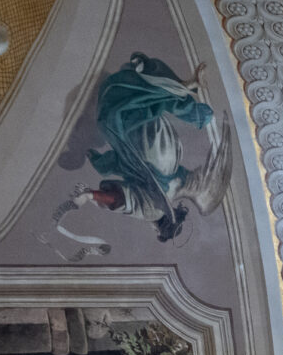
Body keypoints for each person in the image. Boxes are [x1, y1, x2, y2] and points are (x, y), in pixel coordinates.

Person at [63, 54, 222, 243]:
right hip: (147, 155)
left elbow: (183, 176)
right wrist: (90, 195)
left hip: (170, 155)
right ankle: (180, 88)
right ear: (159, 228)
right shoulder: (153, 212)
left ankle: (187, 97)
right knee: (112, 112)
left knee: (146, 106)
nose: (152, 229)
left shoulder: (173, 192)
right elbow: (121, 200)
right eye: (156, 232)